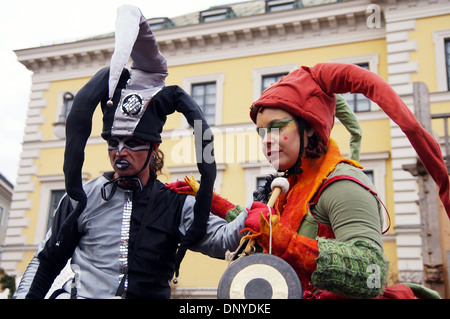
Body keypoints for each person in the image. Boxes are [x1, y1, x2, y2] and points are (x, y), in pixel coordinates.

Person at [14, 6, 245, 299]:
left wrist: (256, 214)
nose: (120, 152)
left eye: (133, 143)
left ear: (154, 148)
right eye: (113, 143)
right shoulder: (83, 199)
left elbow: (221, 240)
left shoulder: (176, 204)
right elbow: (46, 261)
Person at [168, 63, 450, 299]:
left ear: (311, 129)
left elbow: (371, 273)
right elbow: (266, 229)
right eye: (261, 132)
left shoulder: (342, 184)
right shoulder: (293, 183)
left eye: (278, 128)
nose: (268, 141)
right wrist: (211, 200)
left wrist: (284, 242)